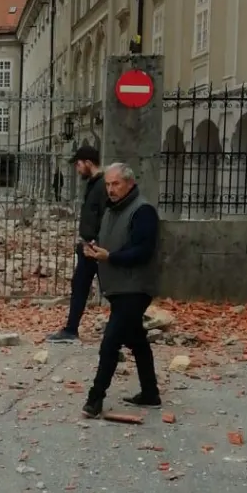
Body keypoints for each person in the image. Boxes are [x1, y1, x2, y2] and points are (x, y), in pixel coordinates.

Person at [81, 162, 160, 418]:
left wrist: (110, 256)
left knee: (111, 342)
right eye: (108, 184)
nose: (111, 189)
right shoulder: (111, 210)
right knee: (136, 340)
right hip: (118, 287)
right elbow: (109, 243)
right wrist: (94, 249)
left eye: (116, 184)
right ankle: (150, 393)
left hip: (135, 288)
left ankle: (95, 398)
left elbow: (143, 251)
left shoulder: (143, 211)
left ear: (130, 184)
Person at [48, 145, 107, 342]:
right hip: (88, 246)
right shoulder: (93, 183)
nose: (77, 168)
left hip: (97, 248)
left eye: (79, 164)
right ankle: (71, 329)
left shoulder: (102, 185)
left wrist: (97, 242)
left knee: (111, 289)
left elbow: (105, 217)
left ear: (89, 163)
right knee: (80, 284)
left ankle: (127, 329)